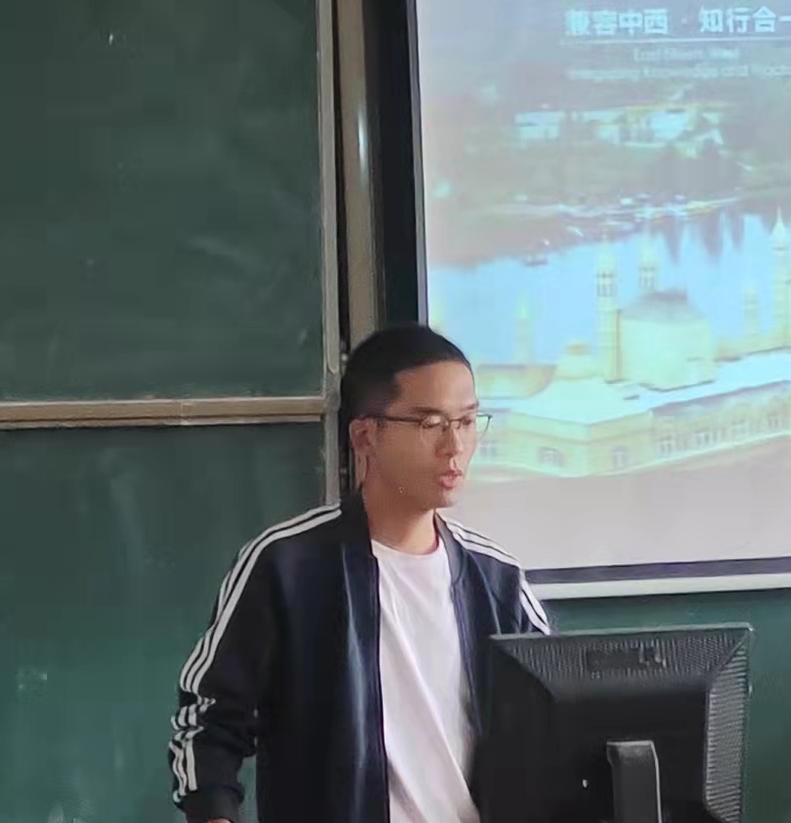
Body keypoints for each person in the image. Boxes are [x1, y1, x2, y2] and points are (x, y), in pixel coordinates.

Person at [168, 324, 549, 823]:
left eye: (467, 421)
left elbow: (561, 725)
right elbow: (207, 722)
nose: (454, 445)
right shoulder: (288, 565)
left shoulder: (498, 580)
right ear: (365, 436)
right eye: (431, 423)